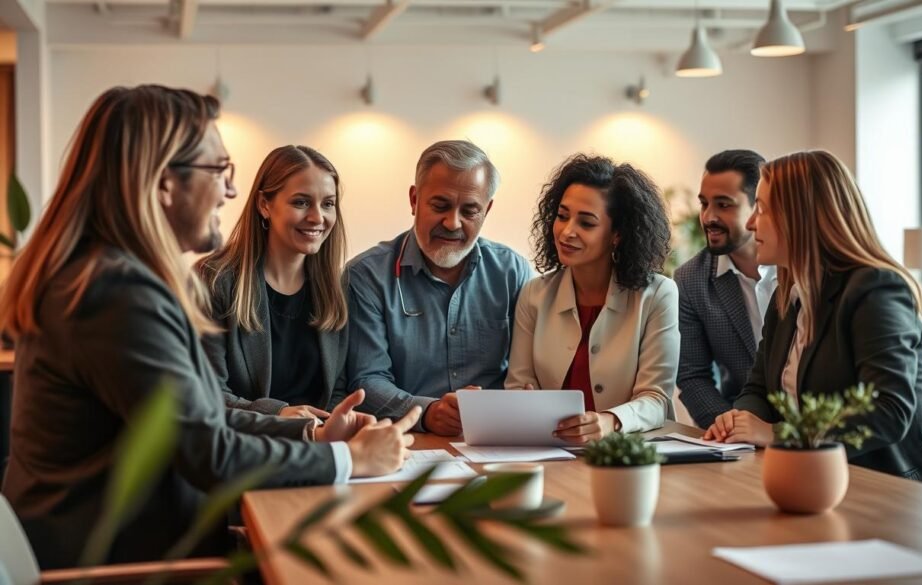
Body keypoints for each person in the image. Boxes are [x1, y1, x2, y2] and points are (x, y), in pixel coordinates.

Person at [0, 85, 418, 568]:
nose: (231, 190)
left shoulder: (113, 278)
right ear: (163, 182)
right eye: (219, 170)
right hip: (119, 566)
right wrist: (351, 461)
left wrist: (314, 439)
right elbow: (210, 454)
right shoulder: (115, 293)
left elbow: (199, 419)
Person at [704, 150, 922, 487]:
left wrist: (779, 433)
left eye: (762, 209)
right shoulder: (789, 295)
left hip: (891, 489)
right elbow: (759, 387)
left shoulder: (876, 290)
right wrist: (741, 418)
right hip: (816, 480)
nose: (751, 223)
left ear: (800, 216)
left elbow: (889, 411)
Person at [345, 140, 532, 436]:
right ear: (414, 200)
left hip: (498, 440)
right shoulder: (366, 275)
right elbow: (367, 380)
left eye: (470, 210)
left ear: (488, 210)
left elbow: (528, 376)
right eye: (440, 205)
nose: (452, 222)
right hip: (408, 442)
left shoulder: (514, 273)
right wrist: (428, 412)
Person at [505, 154, 679, 443]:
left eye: (586, 223)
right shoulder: (535, 294)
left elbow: (657, 399)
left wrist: (611, 421)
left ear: (617, 235)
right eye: (562, 216)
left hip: (624, 453)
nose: (566, 231)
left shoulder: (657, 295)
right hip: (549, 449)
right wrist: (527, 403)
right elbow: (517, 385)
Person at [198, 145, 350, 420]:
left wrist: (339, 422)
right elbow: (207, 395)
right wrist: (279, 414)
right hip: (247, 450)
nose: (317, 217)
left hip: (320, 447)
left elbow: (338, 391)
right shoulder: (215, 280)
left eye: (328, 204)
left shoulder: (335, 288)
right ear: (264, 205)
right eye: (301, 202)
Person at [673, 150, 776, 429]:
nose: (708, 217)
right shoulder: (690, 280)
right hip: (739, 427)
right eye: (704, 204)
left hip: (816, 434)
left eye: (724, 205)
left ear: (760, 206)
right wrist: (729, 428)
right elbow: (693, 376)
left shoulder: (800, 270)